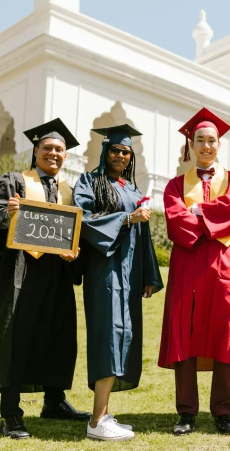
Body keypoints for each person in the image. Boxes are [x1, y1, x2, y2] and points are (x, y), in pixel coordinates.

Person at [0, 118, 91, 440]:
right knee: (15, 337)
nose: (54, 153)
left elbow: (75, 235)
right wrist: (5, 214)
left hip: (55, 275)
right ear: (36, 150)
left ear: (66, 156)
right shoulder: (14, 181)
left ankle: (55, 402)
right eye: (48, 148)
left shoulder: (68, 191)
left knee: (57, 335)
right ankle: (10, 414)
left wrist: (74, 254)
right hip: (18, 271)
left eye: (60, 150)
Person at [158, 108, 230, 436]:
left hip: (225, 266)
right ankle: (186, 412)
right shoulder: (175, 185)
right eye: (201, 140)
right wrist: (206, 215)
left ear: (219, 145)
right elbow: (175, 220)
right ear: (191, 145)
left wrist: (196, 211)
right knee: (185, 333)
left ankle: (223, 411)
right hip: (188, 266)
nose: (206, 146)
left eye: (212, 141)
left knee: (224, 333)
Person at [72, 124, 163, 442]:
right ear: (105, 152)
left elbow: (142, 234)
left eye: (126, 151)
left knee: (121, 338)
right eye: (115, 150)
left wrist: (149, 275)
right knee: (108, 339)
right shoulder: (90, 182)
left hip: (128, 276)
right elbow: (81, 219)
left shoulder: (133, 190)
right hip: (105, 274)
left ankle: (104, 412)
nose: (121, 155)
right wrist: (126, 219)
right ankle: (96, 422)